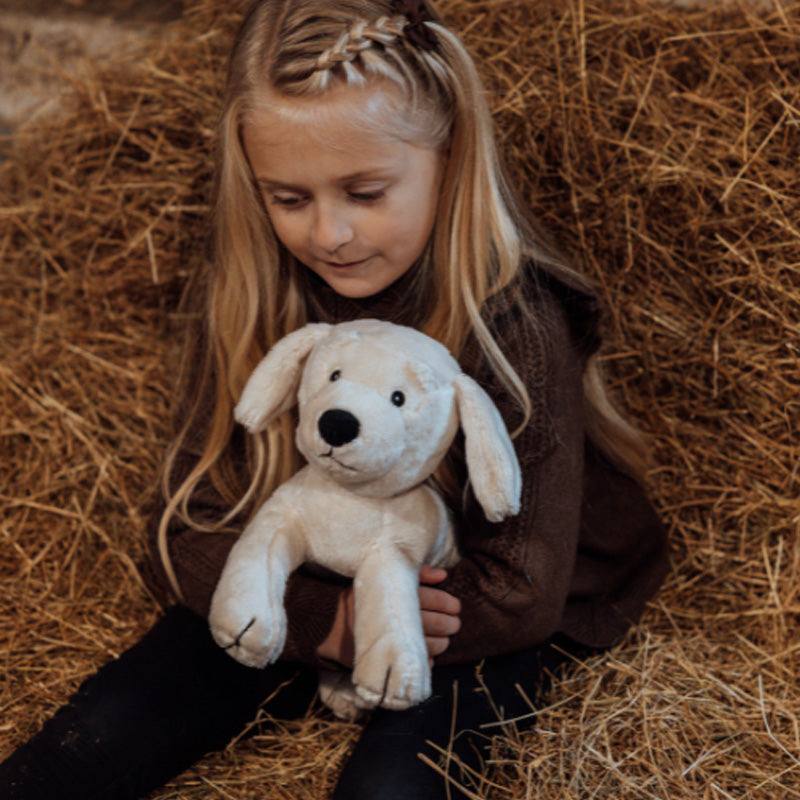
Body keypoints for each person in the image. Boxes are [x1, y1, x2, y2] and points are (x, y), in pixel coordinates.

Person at [0, 1, 669, 798]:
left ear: (449, 158)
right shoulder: (257, 295)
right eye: (289, 199)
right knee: (98, 733)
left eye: (365, 192)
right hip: (301, 576)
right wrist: (329, 624)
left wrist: (383, 624)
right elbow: (184, 524)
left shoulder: (516, 324)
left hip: (474, 611)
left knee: (389, 787)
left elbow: (522, 591)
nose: (329, 234)